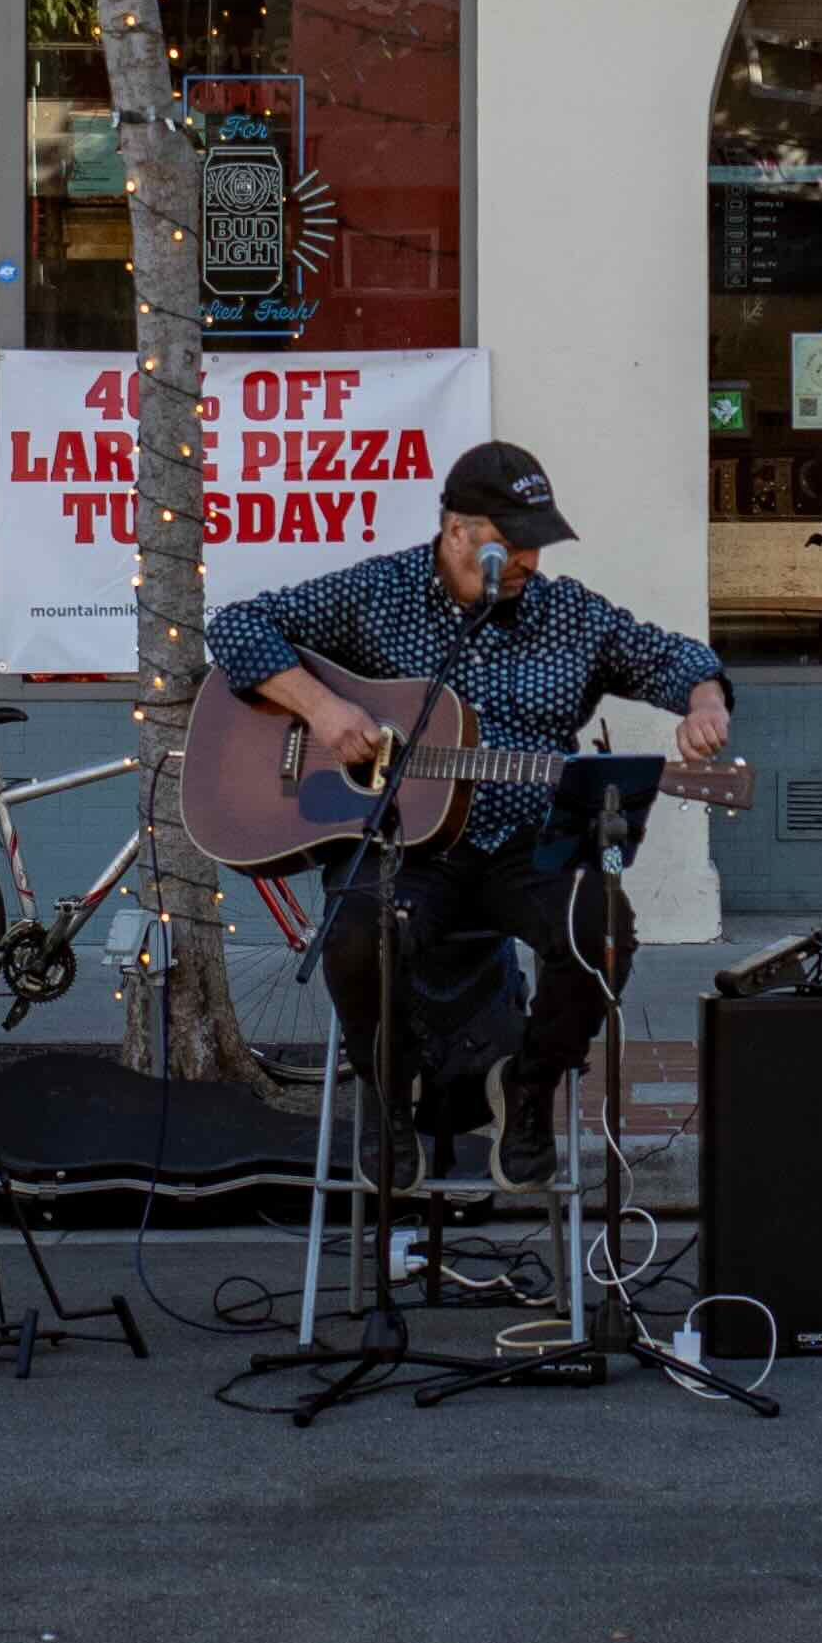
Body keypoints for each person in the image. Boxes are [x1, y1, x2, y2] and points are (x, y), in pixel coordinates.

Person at [206, 438, 732, 1191]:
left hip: (529, 847)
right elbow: (235, 629)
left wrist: (705, 700)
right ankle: (389, 1093)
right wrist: (322, 710)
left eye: (536, 543)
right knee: (354, 934)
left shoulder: (568, 615)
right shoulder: (378, 594)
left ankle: (528, 1088)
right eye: (510, 542)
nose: (527, 560)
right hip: (407, 848)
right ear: (456, 531)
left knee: (604, 929)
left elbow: (670, 656)